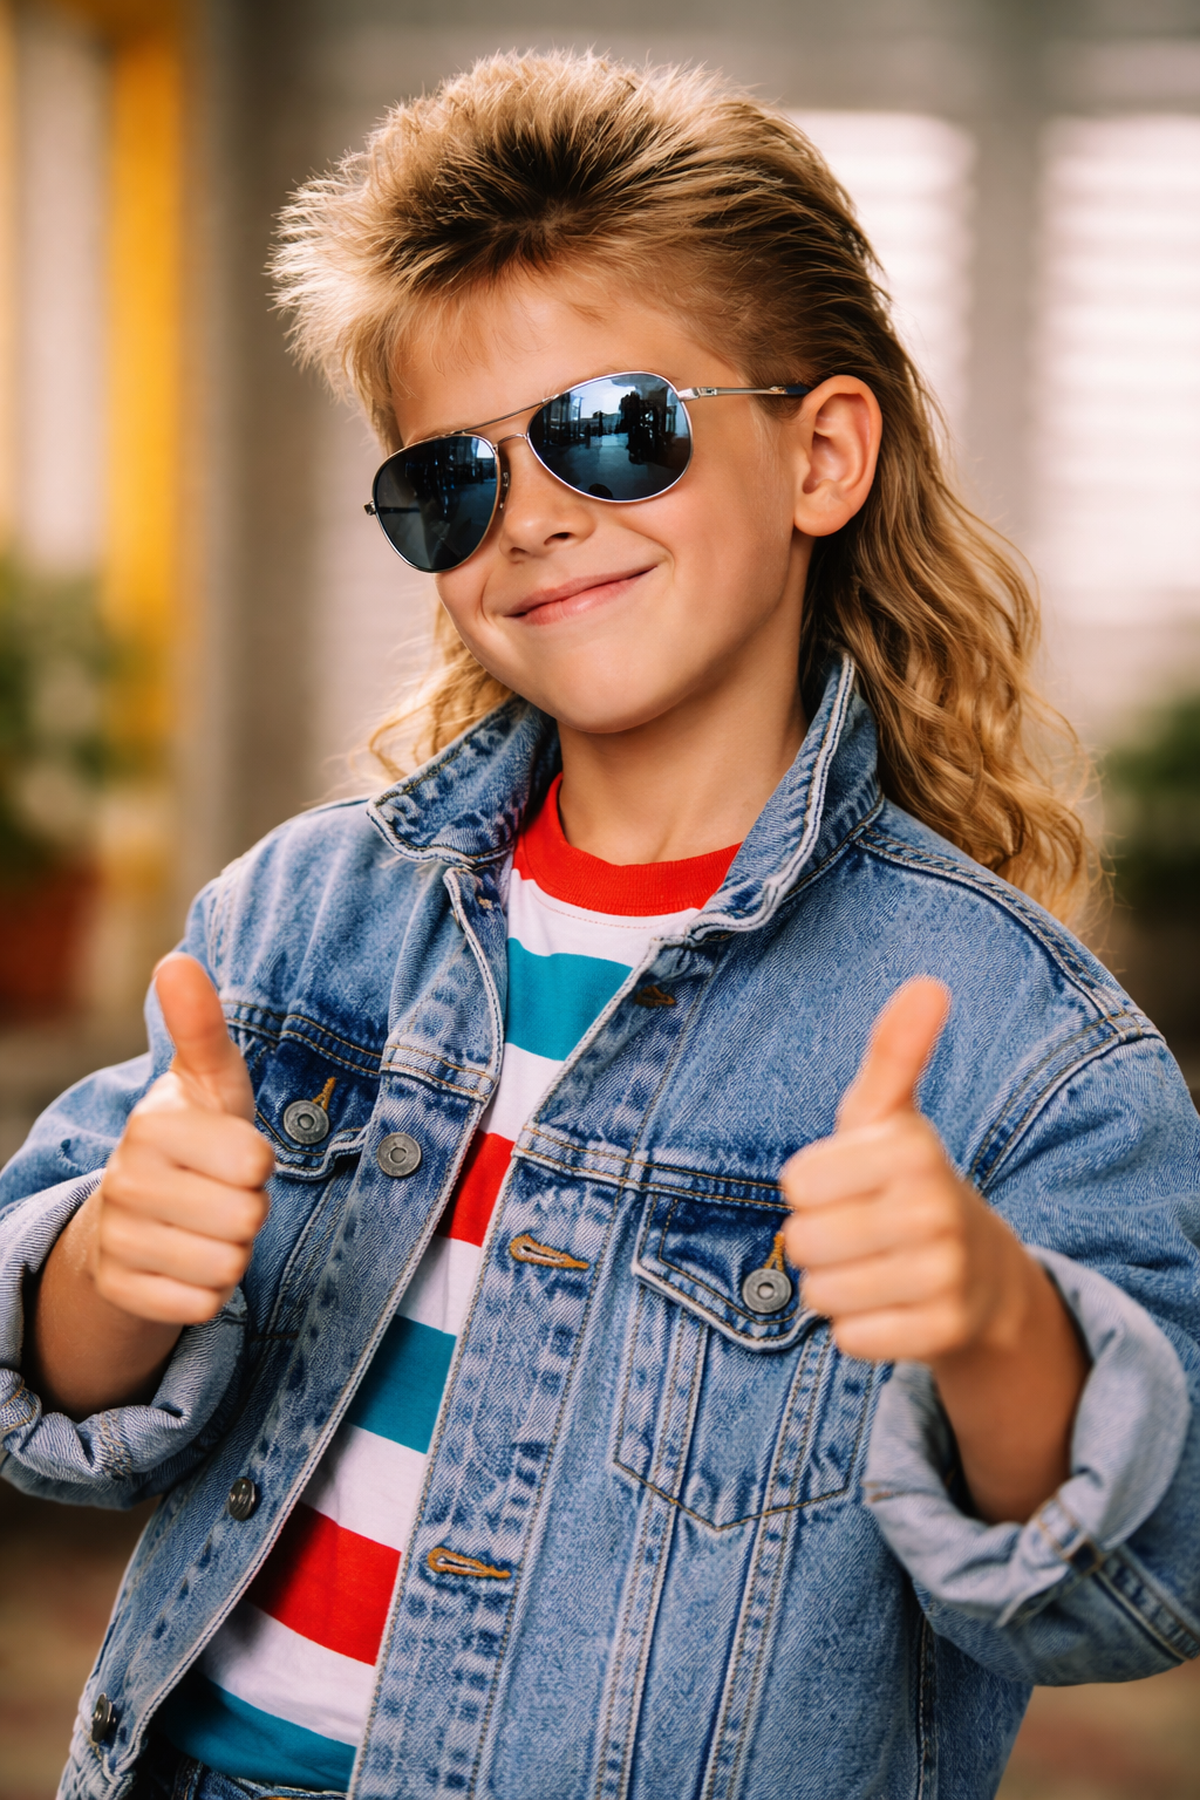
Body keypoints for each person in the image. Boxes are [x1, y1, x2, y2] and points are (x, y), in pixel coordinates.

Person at [2, 51, 1198, 1800]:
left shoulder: (1025, 1055)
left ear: (822, 453)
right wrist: (113, 1264)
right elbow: (56, 1391)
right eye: (452, 482)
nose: (539, 516)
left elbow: (1132, 1578)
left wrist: (994, 1329)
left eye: (614, 427)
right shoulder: (293, 925)